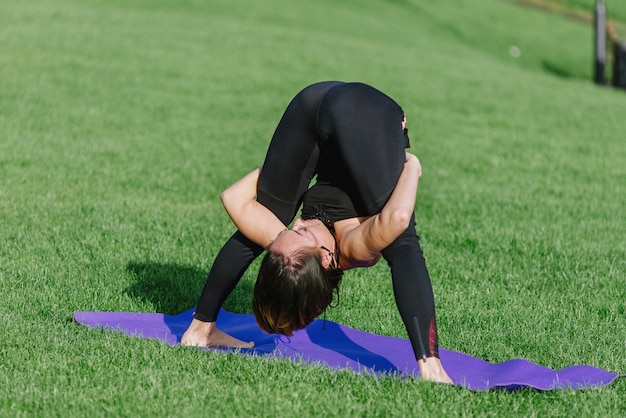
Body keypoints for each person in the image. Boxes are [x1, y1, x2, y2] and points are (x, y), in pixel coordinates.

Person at [182, 81, 451, 383]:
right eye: (299, 233)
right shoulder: (353, 248)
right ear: (325, 259)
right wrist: (411, 165)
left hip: (315, 102)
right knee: (402, 246)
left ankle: (200, 329)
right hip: (359, 111)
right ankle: (431, 367)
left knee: (271, 210)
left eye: (289, 233)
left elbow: (232, 198)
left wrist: (277, 175)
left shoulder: (292, 253)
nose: (295, 224)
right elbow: (399, 217)